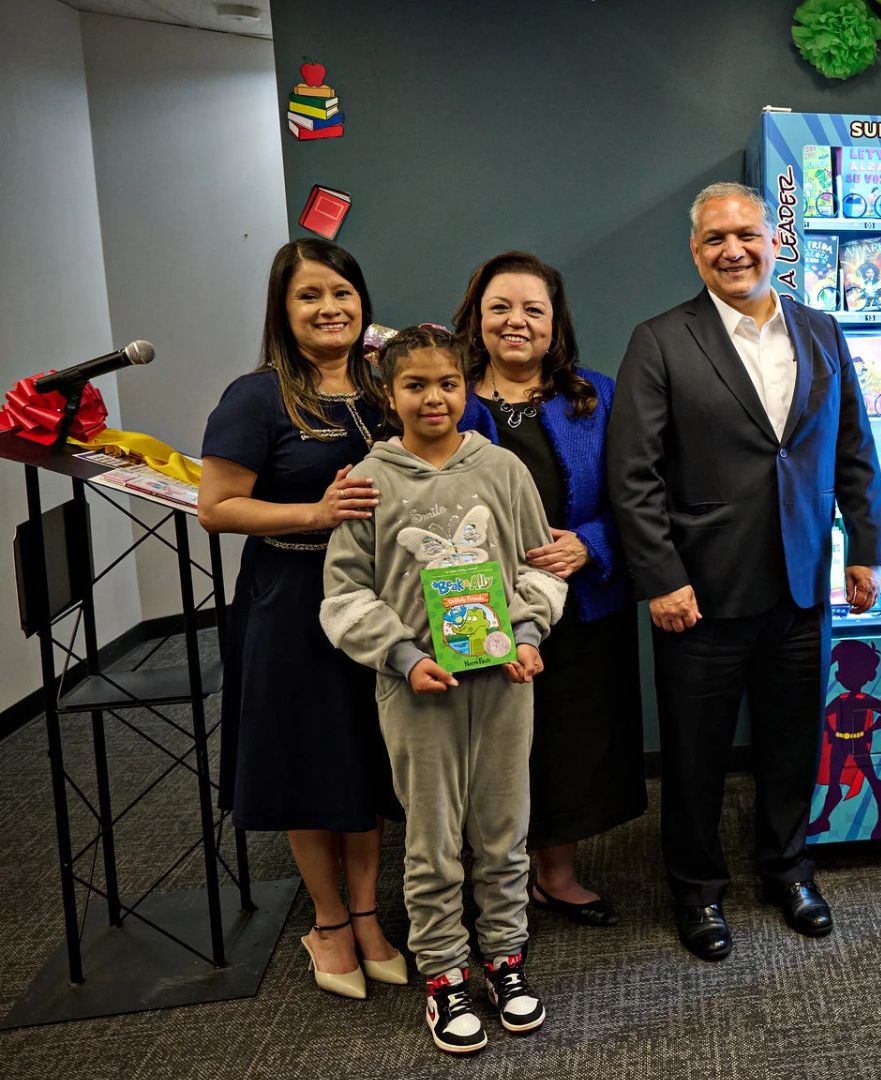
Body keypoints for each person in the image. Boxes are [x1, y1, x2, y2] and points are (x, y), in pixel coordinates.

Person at [608, 182, 881, 962]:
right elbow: (633, 474)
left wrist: (866, 545)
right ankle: (697, 891)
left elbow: (852, 447)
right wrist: (660, 577)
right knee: (694, 755)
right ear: (694, 252)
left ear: (774, 240)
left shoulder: (822, 332)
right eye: (714, 239)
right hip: (699, 592)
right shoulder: (660, 340)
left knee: (794, 743)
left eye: (747, 234)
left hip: (801, 582)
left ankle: (788, 871)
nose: (733, 250)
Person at [320, 326, 567, 1053]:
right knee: (432, 840)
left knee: (502, 830)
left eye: (449, 383)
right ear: (387, 394)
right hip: (416, 690)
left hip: (503, 683)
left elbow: (542, 567)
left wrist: (527, 636)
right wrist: (399, 654)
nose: (434, 398)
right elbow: (343, 596)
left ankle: (506, 961)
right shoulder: (368, 480)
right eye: (416, 385)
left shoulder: (502, 469)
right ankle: (444, 974)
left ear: (467, 386)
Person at [198, 238, 404, 1000]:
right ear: (283, 312)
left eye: (342, 293)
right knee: (309, 763)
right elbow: (215, 508)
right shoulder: (256, 398)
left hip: (382, 605)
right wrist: (315, 511)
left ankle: (367, 912)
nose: (330, 309)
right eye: (310, 296)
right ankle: (327, 921)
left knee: (367, 760)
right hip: (293, 603)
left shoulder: (385, 389)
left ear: (362, 303)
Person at [452, 251, 641, 928]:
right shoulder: (451, 398)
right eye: (500, 306)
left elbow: (640, 493)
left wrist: (591, 542)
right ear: (477, 317)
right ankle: (493, 884)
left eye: (533, 309)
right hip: (479, 607)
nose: (516, 321)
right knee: (488, 749)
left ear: (555, 323)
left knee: (569, 743)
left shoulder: (596, 393)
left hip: (580, 603)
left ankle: (555, 874)